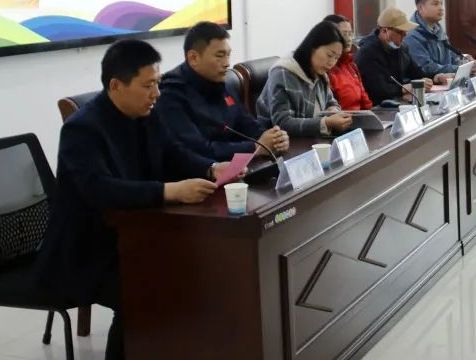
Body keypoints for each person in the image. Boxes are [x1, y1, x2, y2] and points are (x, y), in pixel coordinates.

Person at [38, 39, 237, 360]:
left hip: (139, 232)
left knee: (205, 267)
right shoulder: (82, 130)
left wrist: (211, 168)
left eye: (157, 83)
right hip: (88, 249)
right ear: (116, 86)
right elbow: (100, 190)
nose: (156, 93)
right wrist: (170, 191)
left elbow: (173, 153)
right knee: (146, 289)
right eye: (148, 85)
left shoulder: (146, 112)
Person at [157, 21, 289, 161]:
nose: (227, 63)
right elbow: (197, 149)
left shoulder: (222, 84)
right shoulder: (170, 94)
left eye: (228, 55)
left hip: (236, 166)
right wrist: (254, 147)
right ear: (193, 58)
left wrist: (274, 139)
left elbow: (247, 125)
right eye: (220, 56)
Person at [256, 21, 353, 136]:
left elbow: (331, 102)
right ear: (313, 47)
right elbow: (283, 123)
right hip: (284, 143)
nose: (332, 62)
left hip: (314, 139)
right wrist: (326, 122)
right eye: (329, 55)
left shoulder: (320, 73)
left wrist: (333, 111)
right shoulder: (283, 73)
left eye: (336, 58)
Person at [356, 7, 450, 105]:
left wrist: (435, 77)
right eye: (400, 32)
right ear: (384, 31)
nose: (405, 35)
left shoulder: (401, 48)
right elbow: (379, 89)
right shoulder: (367, 53)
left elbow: (417, 73)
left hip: (396, 102)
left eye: (406, 31)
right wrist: (407, 88)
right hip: (376, 106)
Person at [404, 0, 467, 75]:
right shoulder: (411, 35)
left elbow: (452, 57)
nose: (441, 8)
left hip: (447, 80)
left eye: (441, 3)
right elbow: (426, 67)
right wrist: (459, 69)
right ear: (421, 8)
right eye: (435, 4)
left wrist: (465, 63)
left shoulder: (438, 30)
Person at [324, 13, 374, 110]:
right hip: (341, 118)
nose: (348, 39)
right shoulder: (326, 68)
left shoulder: (351, 65)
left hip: (361, 117)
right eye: (343, 34)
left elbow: (365, 101)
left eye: (350, 34)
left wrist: (372, 116)